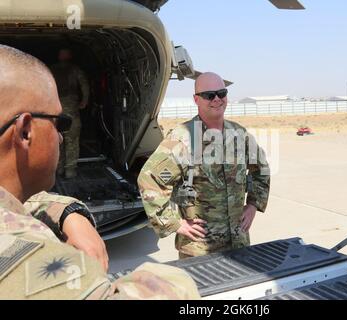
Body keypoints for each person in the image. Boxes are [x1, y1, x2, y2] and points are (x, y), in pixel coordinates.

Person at [0, 45, 199, 300]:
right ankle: (69, 170)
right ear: (25, 132)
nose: (59, 136)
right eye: (58, 123)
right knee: (73, 144)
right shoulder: (40, 270)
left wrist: (68, 213)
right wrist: (175, 278)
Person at [138, 72, 271, 259]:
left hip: (238, 242)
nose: (217, 99)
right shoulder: (183, 138)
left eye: (221, 93)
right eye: (209, 95)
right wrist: (174, 223)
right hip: (199, 249)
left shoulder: (239, 134)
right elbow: (150, 179)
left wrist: (253, 205)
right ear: (196, 99)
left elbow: (261, 169)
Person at [50, 48, 89, 179]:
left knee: (57, 140)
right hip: (70, 110)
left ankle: (59, 169)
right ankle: (70, 170)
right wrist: (84, 100)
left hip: (55, 110)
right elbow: (84, 85)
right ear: (70, 56)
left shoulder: (51, 70)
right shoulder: (75, 69)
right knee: (72, 140)